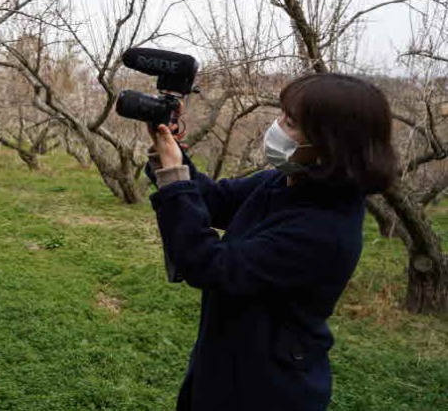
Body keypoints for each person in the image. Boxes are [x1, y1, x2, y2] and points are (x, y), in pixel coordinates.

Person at [145, 73, 397, 411]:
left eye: (290, 123)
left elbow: (210, 265)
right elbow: (216, 200)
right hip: (229, 361)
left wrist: (175, 178)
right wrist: (168, 156)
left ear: (330, 145)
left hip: (266, 387)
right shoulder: (288, 181)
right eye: (282, 115)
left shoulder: (323, 230)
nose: (276, 127)